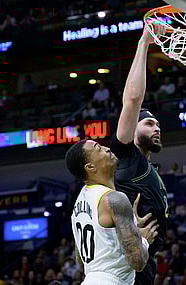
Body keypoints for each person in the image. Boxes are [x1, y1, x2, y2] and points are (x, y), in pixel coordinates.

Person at [109, 23, 168, 285]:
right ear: (133, 128)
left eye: (158, 125)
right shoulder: (125, 156)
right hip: (128, 261)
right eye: (150, 123)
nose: (157, 128)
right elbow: (133, 100)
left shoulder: (149, 168)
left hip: (145, 259)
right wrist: (145, 40)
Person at [65, 139, 158, 285]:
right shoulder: (114, 199)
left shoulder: (78, 204)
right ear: (90, 167)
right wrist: (144, 240)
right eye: (99, 148)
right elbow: (138, 261)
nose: (107, 148)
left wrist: (131, 224)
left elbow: (80, 260)